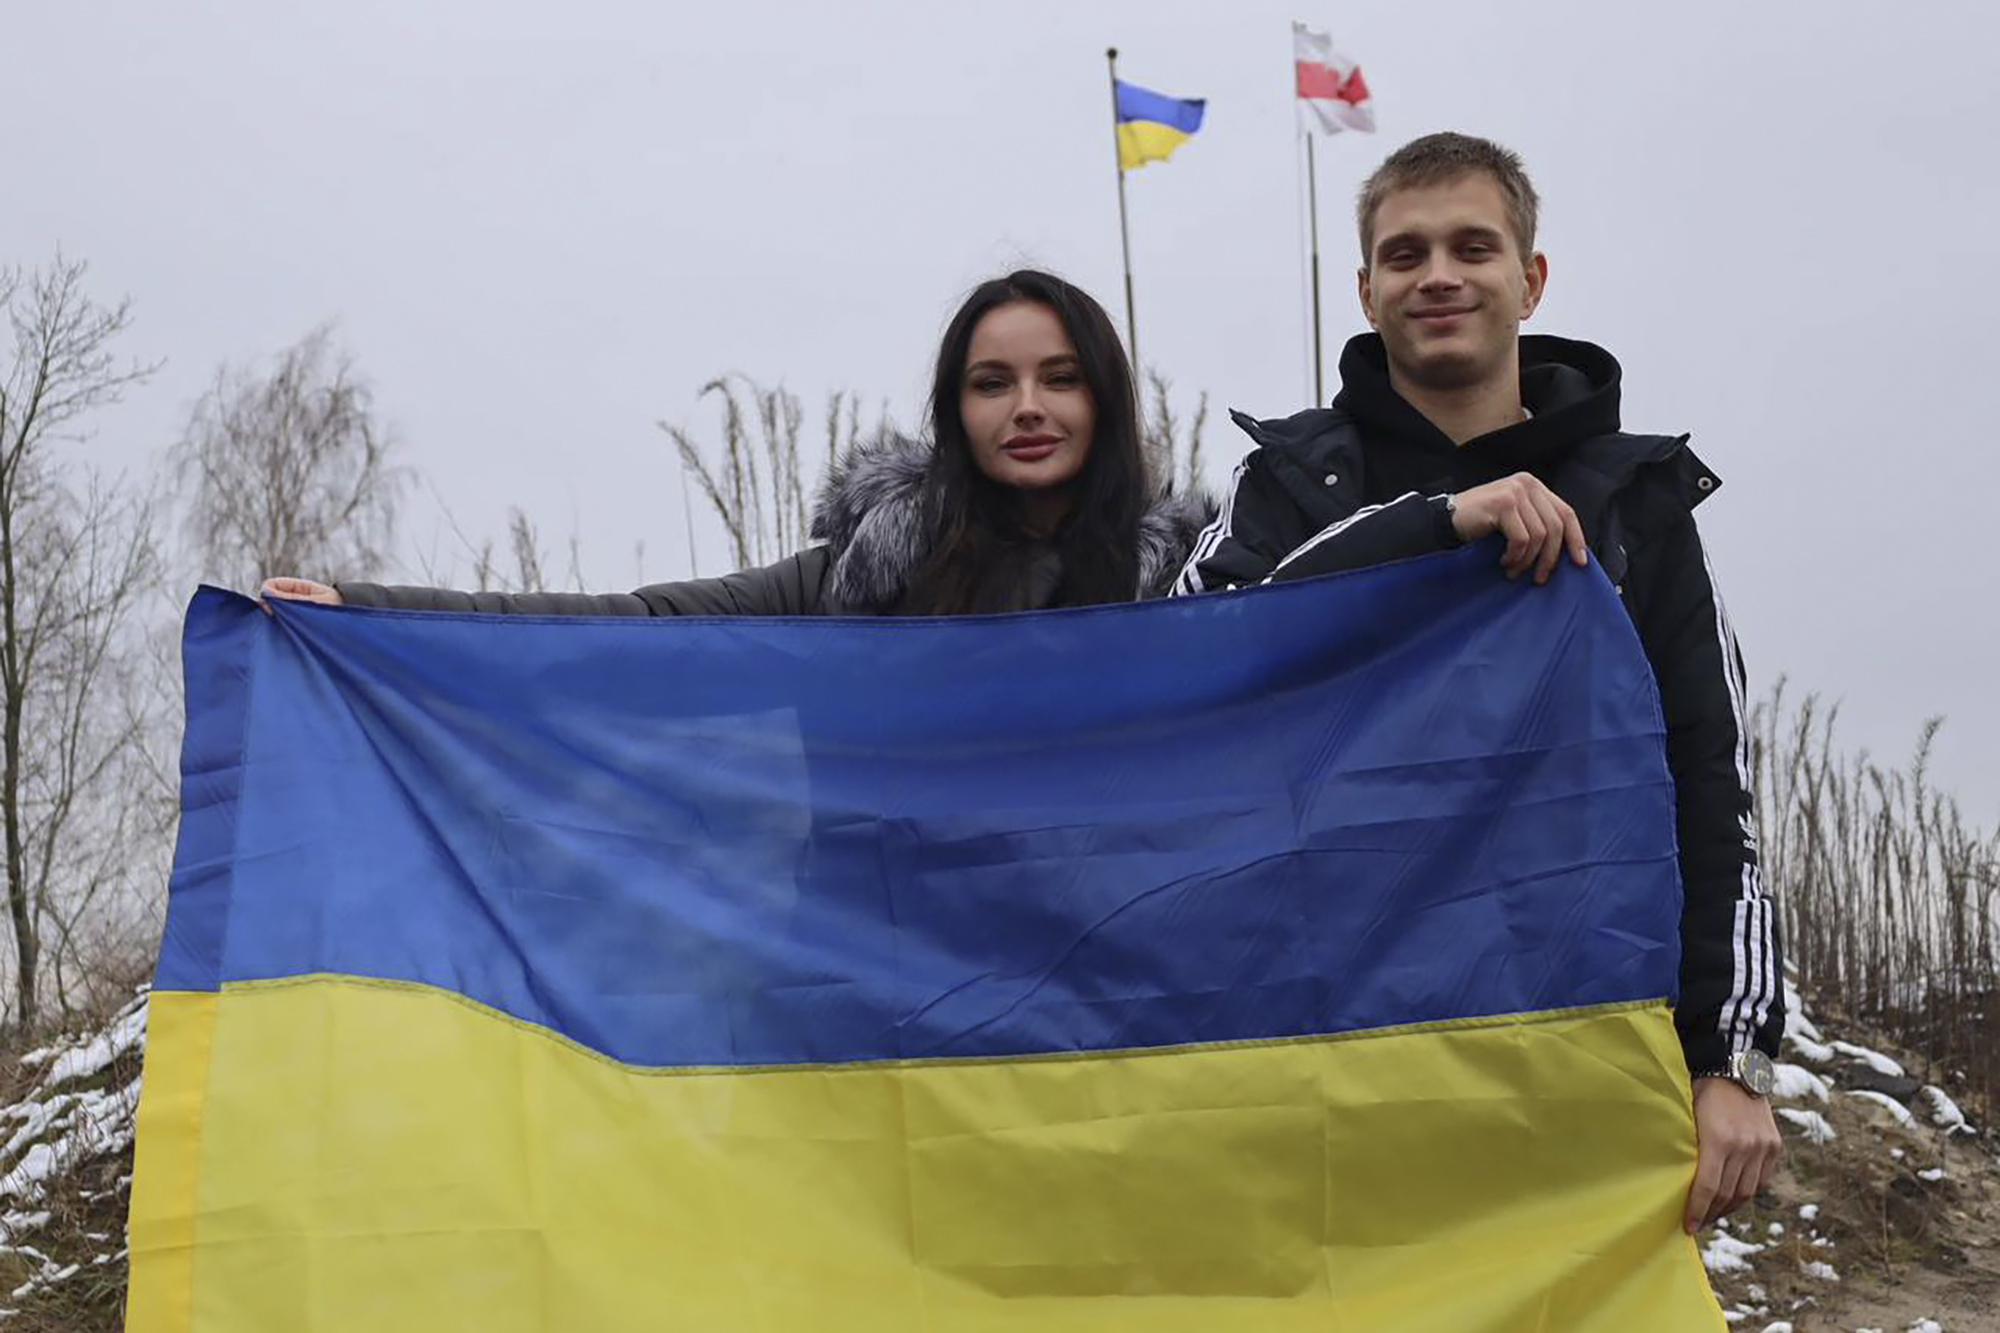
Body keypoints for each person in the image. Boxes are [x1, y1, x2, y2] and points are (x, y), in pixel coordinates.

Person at [1174, 132, 1784, 1233]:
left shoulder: (1634, 505)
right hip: (1315, 1047)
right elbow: (1189, 666)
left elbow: (1708, 782)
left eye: (1471, 246)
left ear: (1529, 277)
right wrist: (1432, 526)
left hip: (1566, 1056)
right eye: (1404, 255)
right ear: (1365, 291)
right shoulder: (1281, 484)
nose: (1438, 275)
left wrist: (1726, 1056)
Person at [264, 269, 1211, 617]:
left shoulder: (1189, 590)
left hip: (1110, 990)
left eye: (1061, 377)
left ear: (1106, 398)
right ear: (953, 411)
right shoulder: (866, 577)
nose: (1027, 408)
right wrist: (362, 608)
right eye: (991, 383)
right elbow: (638, 621)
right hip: (888, 969)